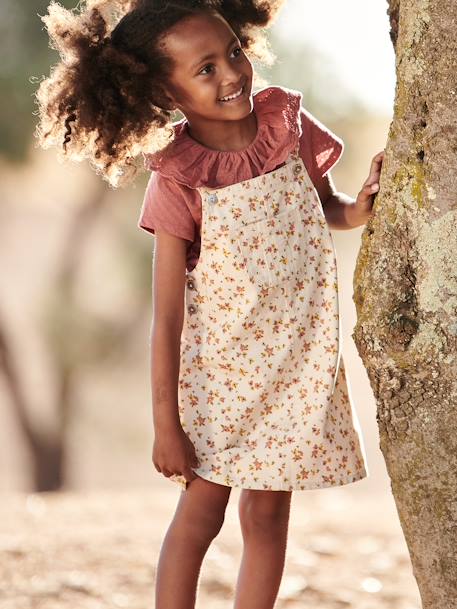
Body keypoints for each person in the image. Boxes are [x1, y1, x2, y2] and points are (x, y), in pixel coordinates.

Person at [35, 1, 384, 607]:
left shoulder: (288, 125)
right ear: (163, 93)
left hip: (296, 365)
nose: (231, 74)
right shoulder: (178, 177)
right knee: (201, 516)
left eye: (234, 53)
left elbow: (323, 204)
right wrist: (166, 425)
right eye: (205, 69)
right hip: (217, 378)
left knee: (269, 515)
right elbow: (167, 317)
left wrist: (360, 208)